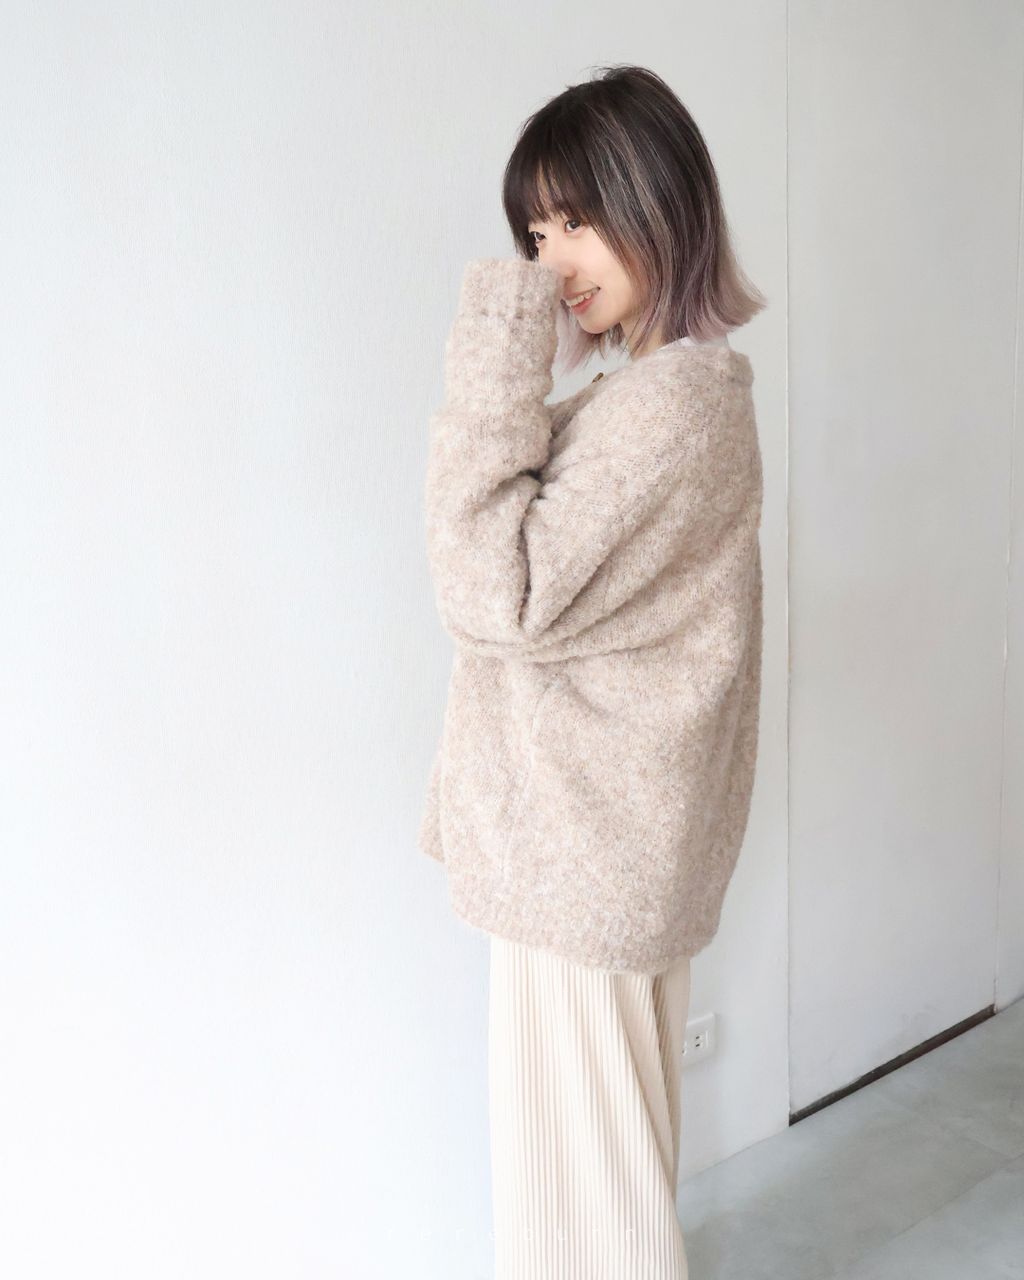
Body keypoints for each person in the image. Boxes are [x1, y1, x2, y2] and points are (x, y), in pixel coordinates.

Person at [419, 63, 767, 1280]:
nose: (549, 261)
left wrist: (500, 341)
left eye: (574, 219)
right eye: (533, 232)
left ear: (654, 197)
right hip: (597, 851)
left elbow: (491, 590)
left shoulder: (670, 409)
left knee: (584, 1216)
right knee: (596, 1196)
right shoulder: (660, 394)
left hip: (583, 855)